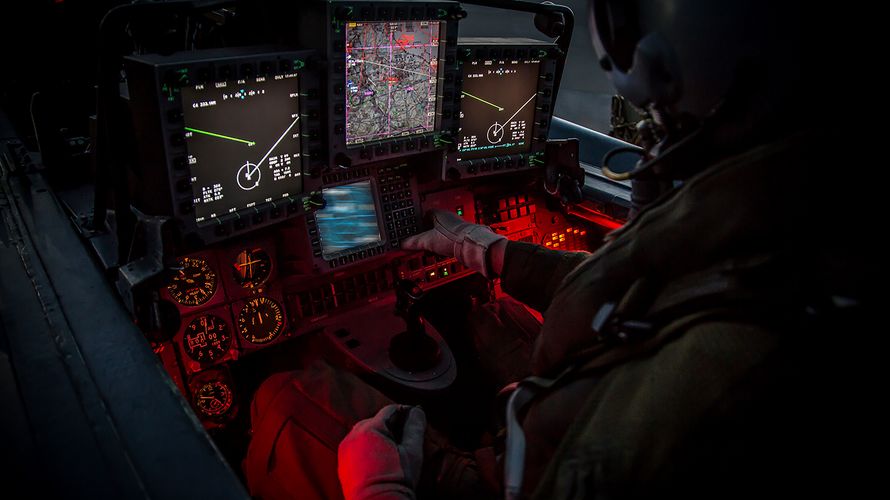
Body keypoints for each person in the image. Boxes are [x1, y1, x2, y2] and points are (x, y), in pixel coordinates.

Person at [245, 0, 868, 498]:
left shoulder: (728, 378)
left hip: (519, 471)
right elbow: (640, 291)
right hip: (561, 416)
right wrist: (493, 254)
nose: (647, 125)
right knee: (482, 309)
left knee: (284, 397)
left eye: (651, 111)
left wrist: (385, 489)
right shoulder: (787, 230)